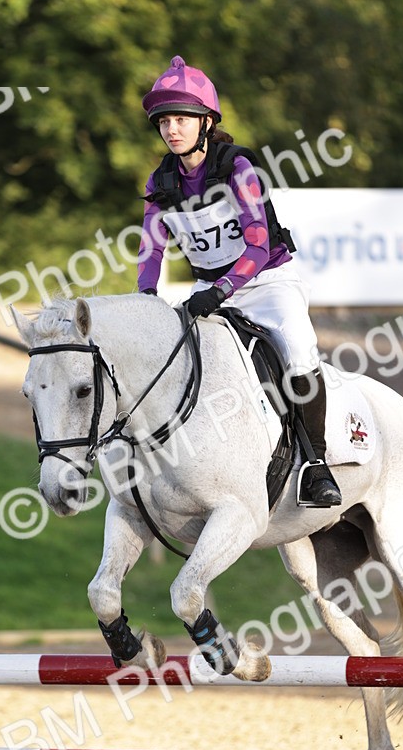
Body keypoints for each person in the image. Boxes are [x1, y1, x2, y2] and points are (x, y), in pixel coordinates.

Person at [137, 54, 342, 508]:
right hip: (208, 289)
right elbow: (151, 249)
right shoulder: (161, 181)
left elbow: (257, 246)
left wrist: (221, 292)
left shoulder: (237, 169)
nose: (172, 129)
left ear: (207, 122)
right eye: (165, 120)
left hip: (267, 282)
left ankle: (316, 465)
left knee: (298, 346)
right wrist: (146, 300)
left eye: (183, 119)